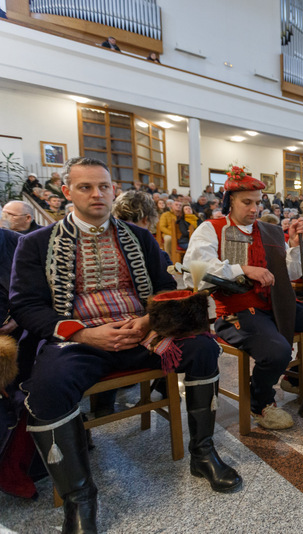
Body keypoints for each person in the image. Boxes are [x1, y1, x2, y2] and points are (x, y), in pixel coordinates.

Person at [10, 157, 241, 533]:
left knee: (203, 348)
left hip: (144, 335)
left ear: (113, 190)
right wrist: (84, 334)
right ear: (67, 192)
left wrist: (149, 320)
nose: (96, 194)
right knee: (48, 385)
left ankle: (203, 453)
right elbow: (25, 305)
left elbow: (166, 287)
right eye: (85, 187)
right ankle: (80, 498)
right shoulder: (36, 243)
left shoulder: (139, 236)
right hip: (81, 340)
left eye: (103, 186)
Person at [182, 168, 303, 430]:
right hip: (236, 311)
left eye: (258, 202)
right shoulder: (211, 229)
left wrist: (294, 246)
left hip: (278, 304)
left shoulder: (270, 231)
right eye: (246, 202)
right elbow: (195, 271)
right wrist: (242, 269)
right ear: (230, 201)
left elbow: (292, 273)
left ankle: (294, 379)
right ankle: (260, 402)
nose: (254, 209)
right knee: (277, 350)